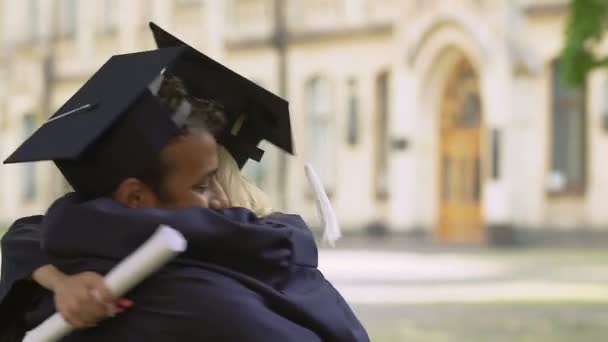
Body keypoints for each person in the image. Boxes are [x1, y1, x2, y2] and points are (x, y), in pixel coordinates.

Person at [0, 25, 369, 341]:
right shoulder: (206, 302)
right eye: (204, 185)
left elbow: (34, 234)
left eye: (220, 177)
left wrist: (56, 279)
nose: (225, 200)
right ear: (134, 196)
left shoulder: (69, 260)